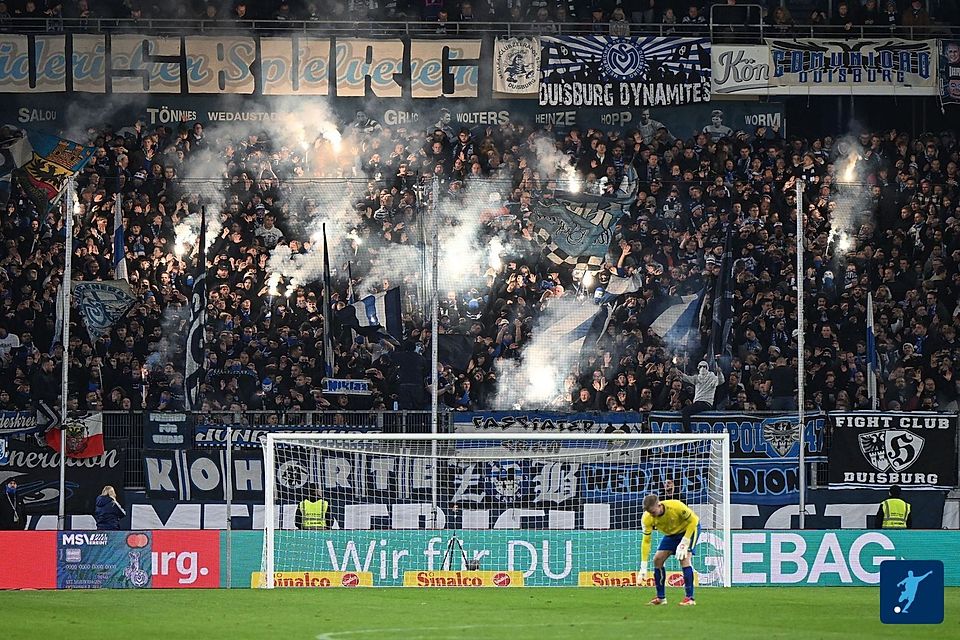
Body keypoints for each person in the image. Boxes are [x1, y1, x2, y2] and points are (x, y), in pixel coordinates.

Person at [640, 493, 699, 606]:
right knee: (657, 559)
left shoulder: (676, 506)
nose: (652, 515)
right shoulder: (647, 518)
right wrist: (643, 566)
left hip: (689, 530)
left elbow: (694, 521)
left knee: (684, 558)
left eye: (653, 512)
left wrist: (685, 541)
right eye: (649, 513)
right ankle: (661, 598)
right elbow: (646, 541)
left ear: (659, 505)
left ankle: (690, 598)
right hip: (671, 535)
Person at [676, 360, 724, 432]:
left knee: (685, 411)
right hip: (698, 402)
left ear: (707, 368)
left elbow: (721, 381)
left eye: (704, 366)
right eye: (701, 366)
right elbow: (688, 378)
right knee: (687, 410)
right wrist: (681, 375)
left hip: (706, 403)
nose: (702, 368)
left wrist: (719, 372)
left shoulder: (712, 377)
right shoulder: (697, 378)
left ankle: (688, 433)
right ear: (698, 368)